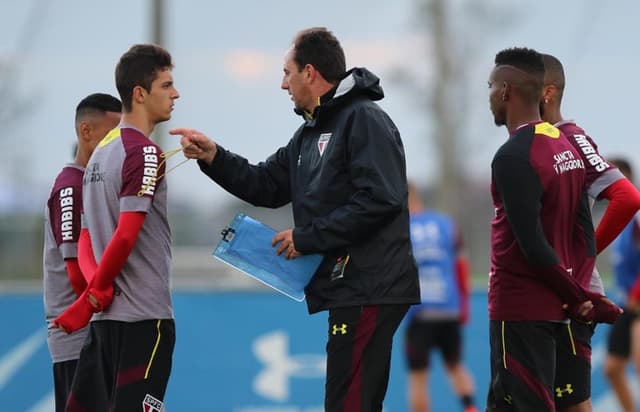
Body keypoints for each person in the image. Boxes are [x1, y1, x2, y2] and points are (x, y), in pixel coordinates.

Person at [171, 27, 420, 411]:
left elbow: (381, 199)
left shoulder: (363, 119)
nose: (281, 84)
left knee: (349, 404)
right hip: (350, 289)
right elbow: (265, 185)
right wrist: (213, 157)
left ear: (309, 73)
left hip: (371, 285)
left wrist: (307, 237)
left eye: (286, 73)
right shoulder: (309, 132)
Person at [485, 47, 621, 412]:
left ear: (506, 92)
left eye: (491, 86)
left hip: (520, 307)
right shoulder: (566, 145)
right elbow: (582, 228)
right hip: (555, 308)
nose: (489, 97)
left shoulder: (513, 155)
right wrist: (577, 287)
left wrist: (578, 295)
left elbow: (532, 245)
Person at [53, 44, 180, 412]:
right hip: (144, 320)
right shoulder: (143, 152)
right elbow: (125, 234)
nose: (176, 94)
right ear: (139, 94)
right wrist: (96, 292)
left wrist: (94, 294)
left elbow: (86, 238)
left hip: (104, 323)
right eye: (167, 85)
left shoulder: (100, 154)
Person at [539, 53, 640, 412]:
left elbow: (627, 197)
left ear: (546, 92)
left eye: (518, 89)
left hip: (574, 293)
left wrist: (586, 251)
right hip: (541, 292)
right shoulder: (535, 141)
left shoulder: (570, 138)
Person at [43, 93, 122, 412]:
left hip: (98, 338)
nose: (118, 145)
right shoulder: (71, 189)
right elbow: (77, 272)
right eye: (112, 134)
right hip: (80, 342)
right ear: (86, 132)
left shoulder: (93, 185)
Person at [403, 183, 478, 412]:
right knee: (456, 367)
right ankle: (470, 408)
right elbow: (461, 266)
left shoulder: (400, 228)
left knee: (418, 377)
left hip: (419, 311)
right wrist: (463, 306)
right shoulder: (446, 224)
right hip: (448, 307)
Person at [604, 158, 640, 412]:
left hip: (638, 303)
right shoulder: (620, 219)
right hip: (625, 303)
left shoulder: (637, 216)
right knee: (613, 368)